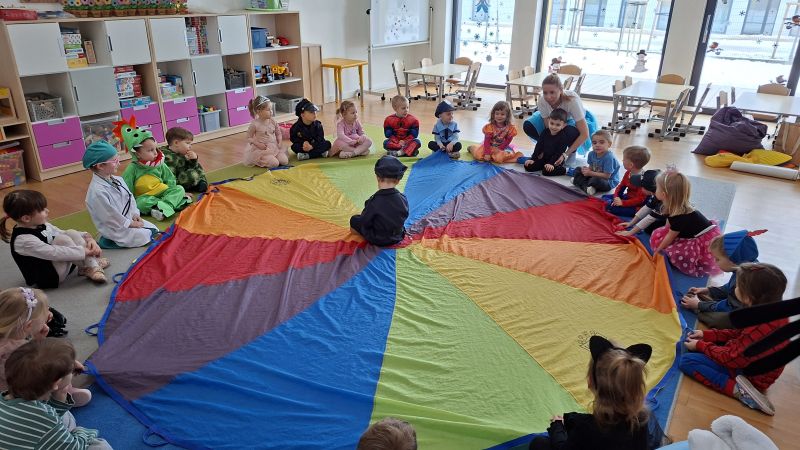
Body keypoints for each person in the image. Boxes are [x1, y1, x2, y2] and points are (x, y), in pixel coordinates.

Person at [680, 263, 789, 416]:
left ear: (748, 297)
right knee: (709, 346)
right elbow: (738, 334)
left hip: (750, 376)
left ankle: (739, 391)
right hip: (755, 367)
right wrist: (707, 335)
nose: (734, 288)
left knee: (687, 361)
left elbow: (731, 358)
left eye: (737, 286)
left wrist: (700, 346)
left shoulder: (758, 323)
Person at [529, 335, 668, 450]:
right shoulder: (641, 419)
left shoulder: (586, 429)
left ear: (590, 381)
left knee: (539, 443)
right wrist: (571, 419)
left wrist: (557, 426)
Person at [0, 338, 112, 449]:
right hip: (44, 431)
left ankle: (58, 423)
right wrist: (83, 433)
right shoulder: (45, 419)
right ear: (56, 383)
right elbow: (74, 447)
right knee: (101, 446)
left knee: (62, 418)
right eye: (70, 370)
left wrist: (60, 394)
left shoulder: (6, 396)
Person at [0, 287, 91, 406]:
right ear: (29, 326)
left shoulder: (11, 338)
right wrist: (69, 364)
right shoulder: (12, 350)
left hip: (16, 383)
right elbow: (38, 367)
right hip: (20, 395)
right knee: (56, 375)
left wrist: (37, 340)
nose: (50, 315)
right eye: (45, 317)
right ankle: (62, 395)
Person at [2, 190, 108, 286]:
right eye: (42, 210)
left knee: (71, 232)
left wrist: (88, 238)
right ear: (26, 218)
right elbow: (54, 252)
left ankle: (89, 265)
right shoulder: (23, 240)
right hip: (48, 276)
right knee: (63, 240)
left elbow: (62, 232)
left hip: (58, 264)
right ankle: (92, 265)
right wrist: (84, 251)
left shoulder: (39, 224)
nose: (47, 211)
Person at [681, 230, 765, 329]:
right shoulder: (746, 266)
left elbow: (729, 306)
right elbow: (729, 288)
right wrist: (708, 290)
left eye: (717, 259)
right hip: (737, 304)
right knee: (709, 299)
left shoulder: (745, 279)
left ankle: (698, 308)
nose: (715, 262)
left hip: (747, 317)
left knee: (720, 319)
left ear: (733, 260)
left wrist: (699, 305)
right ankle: (699, 304)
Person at [83, 141, 158, 249]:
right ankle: (109, 241)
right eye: (115, 161)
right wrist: (129, 224)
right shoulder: (97, 193)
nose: (119, 163)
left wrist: (135, 214)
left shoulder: (118, 180)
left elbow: (130, 198)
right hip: (114, 228)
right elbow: (109, 217)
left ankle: (132, 232)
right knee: (144, 236)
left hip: (127, 220)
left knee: (154, 229)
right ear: (100, 166)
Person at [115, 117, 191, 220]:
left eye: (155, 148)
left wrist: (174, 192)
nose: (155, 153)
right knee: (140, 204)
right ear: (137, 154)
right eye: (150, 150)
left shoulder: (160, 164)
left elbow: (170, 179)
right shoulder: (132, 169)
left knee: (179, 189)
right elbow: (127, 188)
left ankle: (163, 207)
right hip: (146, 197)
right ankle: (169, 205)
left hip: (163, 191)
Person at [649, 169, 721, 277]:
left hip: (701, 240)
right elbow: (668, 225)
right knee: (659, 234)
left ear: (663, 194)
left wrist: (658, 250)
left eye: (657, 188)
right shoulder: (674, 205)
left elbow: (670, 237)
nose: (655, 190)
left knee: (677, 255)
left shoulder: (680, 216)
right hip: (687, 231)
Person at [523, 74, 597, 167]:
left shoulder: (572, 100)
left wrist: (565, 154)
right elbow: (547, 129)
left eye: (552, 92)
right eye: (545, 93)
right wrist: (545, 148)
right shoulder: (542, 101)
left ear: (561, 90)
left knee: (569, 131)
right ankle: (547, 151)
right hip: (553, 120)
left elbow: (584, 134)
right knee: (528, 125)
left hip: (571, 121)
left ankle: (571, 153)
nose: (548, 97)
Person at [350, 156, 409, 247]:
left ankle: (358, 236)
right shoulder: (403, 198)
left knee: (354, 219)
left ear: (377, 177)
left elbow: (364, 221)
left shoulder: (374, 201)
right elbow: (404, 215)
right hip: (397, 236)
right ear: (398, 181)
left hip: (378, 239)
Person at [522, 108, 579, 175]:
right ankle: (542, 165)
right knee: (528, 166)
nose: (554, 127)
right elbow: (539, 146)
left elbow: (559, 152)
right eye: (552, 123)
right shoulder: (545, 132)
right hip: (544, 158)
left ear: (563, 125)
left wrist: (551, 163)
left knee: (546, 171)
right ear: (548, 121)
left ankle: (565, 170)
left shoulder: (563, 137)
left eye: (558, 125)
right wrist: (533, 159)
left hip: (555, 161)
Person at [603, 145, 651, 216]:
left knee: (611, 208)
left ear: (631, 165)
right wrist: (616, 197)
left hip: (636, 205)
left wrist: (622, 203)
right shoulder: (628, 172)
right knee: (604, 197)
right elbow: (621, 186)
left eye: (624, 160)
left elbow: (640, 200)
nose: (622, 161)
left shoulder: (643, 179)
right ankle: (612, 203)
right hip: (627, 197)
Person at [615, 169, 665, 236]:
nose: (640, 188)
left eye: (641, 186)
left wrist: (630, 232)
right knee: (647, 226)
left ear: (650, 191)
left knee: (650, 229)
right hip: (663, 213)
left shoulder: (663, 202)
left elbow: (651, 217)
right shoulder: (656, 194)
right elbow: (647, 208)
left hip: (672, 221)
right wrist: (631, 223)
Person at [572, 130, 620, 195]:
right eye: (594, 143)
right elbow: (591, 168)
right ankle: (587, 186)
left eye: (601, 142)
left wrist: (590, 173)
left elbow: (607, 176)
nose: (597, 145)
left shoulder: (609, 157)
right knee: (578, 169)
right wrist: (586, 170)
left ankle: (580, 183)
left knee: (595, 180)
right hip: (594, 175)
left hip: (608, 181)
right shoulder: (591, 154)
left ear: (609, 144)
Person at [244, 96, 287, 168]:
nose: (271, 111)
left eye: (271, 109)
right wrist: (258, 144)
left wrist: (279, 142)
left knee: (284, 161)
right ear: (259, 111)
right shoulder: (255, 124)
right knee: (275, 164)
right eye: (268, 110)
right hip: (262, 150)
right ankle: (262, 160)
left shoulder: (273, 121)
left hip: (274, 147)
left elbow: (278, 133)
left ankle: (273, 158)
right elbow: (248, 138)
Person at [162, 126, 208, 192]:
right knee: (192, 175)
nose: (190, 146)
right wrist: (178, 191)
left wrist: (193, 160)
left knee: (198, 166)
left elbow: (189, 166)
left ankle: (200, 183)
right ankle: (195, 185)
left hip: (182, 175)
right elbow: (169, 179)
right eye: (187, 143)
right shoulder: (168, 157)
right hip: (176, 182)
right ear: (176, 143)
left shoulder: (180, 152)